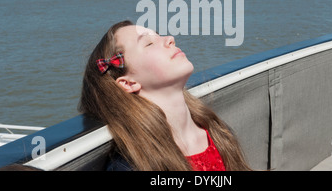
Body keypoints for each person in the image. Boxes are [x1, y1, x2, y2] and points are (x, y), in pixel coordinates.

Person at [79, 20, 251, 171]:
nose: (170, 38)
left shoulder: (218, 132)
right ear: (128, 83)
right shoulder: (134, 165)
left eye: (158, 35)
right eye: (149, 43)